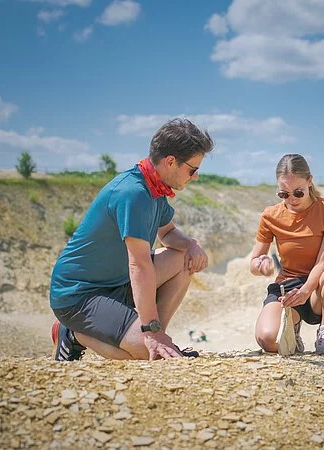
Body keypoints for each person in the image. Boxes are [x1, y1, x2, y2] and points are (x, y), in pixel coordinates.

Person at [49, 118, 214, 361]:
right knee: (148, 357)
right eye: (193, 169)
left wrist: (191, 244)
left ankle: (154, 337)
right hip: (79, 295)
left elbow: (167, 234)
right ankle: (73, 333)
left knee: (183, 257)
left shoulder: (155, 188)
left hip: (116, 283)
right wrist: (150, 330)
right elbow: (139, 265)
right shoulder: (133, 193)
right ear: (170, 162)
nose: (196, 176)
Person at [249, 154, 324, 355]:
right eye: (284, 194)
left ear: (310, 181)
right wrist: (261, 264)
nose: (291, 199)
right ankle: (293, 330)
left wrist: (306, 291)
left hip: (318, 286)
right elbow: (254, 263)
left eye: (298, 193)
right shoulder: (270, 215)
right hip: (287, 288)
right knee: (267, 340)